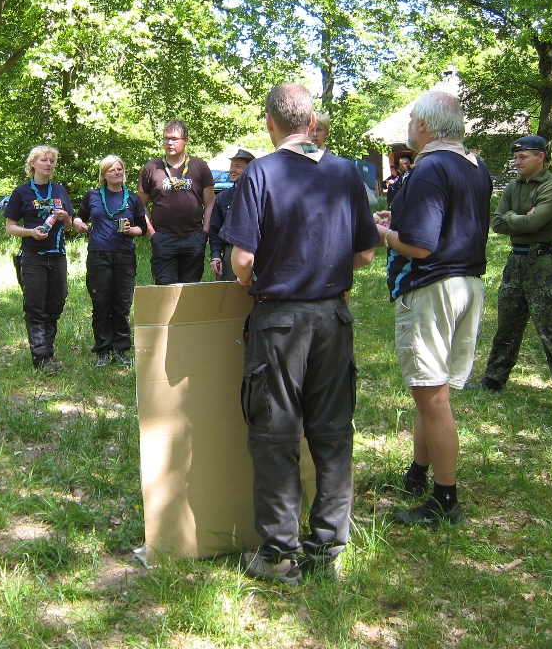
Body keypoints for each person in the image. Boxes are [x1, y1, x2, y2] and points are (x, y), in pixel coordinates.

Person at [222, 84, 380, 585]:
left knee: (276, 434)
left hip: (280, 322)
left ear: (271, 122)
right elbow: (366, 253)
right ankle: (328, 548)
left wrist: (252, 278)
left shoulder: (261, 172)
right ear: (311, 122)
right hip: (334, 318)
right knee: (332, 432)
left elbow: (243, 259)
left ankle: (279, 555)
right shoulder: (346, 172)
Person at [373, 91, 492, 526]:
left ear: (424, 125)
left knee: (433, 396)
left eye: (411, 120)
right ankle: (418, 473)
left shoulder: (429, 167)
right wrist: (398, 222)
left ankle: (445, 500)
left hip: (431, 289)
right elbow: (449, 225)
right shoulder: (474, 166)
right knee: (432, 390)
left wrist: (380, 233)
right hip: (467, 285)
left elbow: (420, 247)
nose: (408, 127)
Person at [466, 135, 552, 423]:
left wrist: (515, 218)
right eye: (515, 158)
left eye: (523, 157)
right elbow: (497, 223)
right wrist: (520, 218)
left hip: (545, 263)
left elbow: (534, 222)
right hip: (516, 261)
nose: (517, 162)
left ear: (540, 156)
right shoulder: (513, 186)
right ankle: (494, 378)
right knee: (508, 323)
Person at [5, 145, 75, 373]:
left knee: (56, 303)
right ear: (33, 163)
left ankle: (48, 352)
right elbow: (10, 227)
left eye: (52, 161)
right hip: (33, 256)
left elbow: (69, 225)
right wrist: (31, 232)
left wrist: (64, 217)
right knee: (36, 305)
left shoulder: (60, 190)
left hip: (57, 256)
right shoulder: (22, 192)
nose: (48, 164)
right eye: (44, 160)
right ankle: (40, 357)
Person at [72, 156, 147, 367]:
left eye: (119, 169)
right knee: (101, 303)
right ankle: (103, 349)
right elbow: (79, 217)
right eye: (111, 170)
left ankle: (121, 349)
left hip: (125, 255)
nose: (116, 172)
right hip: (99, 255)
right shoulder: (93, 195)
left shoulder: (132, 198)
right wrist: (78, 223)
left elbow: (142, 229)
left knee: (122, 304)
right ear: (104, 174)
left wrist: (131, 230)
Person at [137, 120, 215, 284]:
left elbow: (210, 203)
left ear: (185, 140)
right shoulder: (151, 168)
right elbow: (141, 204)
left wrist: (204, 234)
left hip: (194, 238)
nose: (169, 143)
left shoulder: (200, 166)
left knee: (190, 290)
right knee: (165, 289)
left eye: (174, 138)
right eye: (166, 138)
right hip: (163, 239)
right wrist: (153, 235)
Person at [208, 149, 255, 281]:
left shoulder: (259, 195)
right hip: (231, 252)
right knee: (230, 291)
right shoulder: (223, 197)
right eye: (231, 166)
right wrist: (216, 255)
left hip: (257, 252)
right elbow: (215, 229)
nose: (233, 170)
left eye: (238, 166)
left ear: (249, 169)